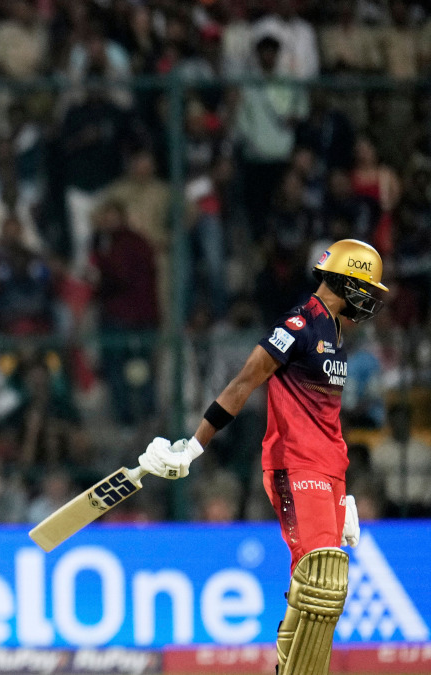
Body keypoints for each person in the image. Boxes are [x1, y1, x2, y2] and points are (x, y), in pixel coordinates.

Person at [138, 239, 388, 675]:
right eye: (366, 287)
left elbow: (328, 421)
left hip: (330, 472)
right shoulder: (299, 324)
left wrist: (343, 494)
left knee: (327, 589)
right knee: (318, 582)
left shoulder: (335, 333)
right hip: (295, 465)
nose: (369, 299)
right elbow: (242, 383)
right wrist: (195, 445)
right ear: (346, 280)